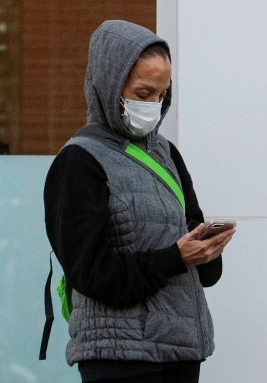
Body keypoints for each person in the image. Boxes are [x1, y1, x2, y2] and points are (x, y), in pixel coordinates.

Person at [44, 20, 235, 383]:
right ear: (109, 84)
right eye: (143, 93)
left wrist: (208, 250)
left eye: (162, 95)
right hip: (120, 358)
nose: (154, 105)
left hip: (180, 351)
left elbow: (192, 237)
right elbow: (92, 275)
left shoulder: (166, 154)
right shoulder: (79, 162)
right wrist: (175, 258)